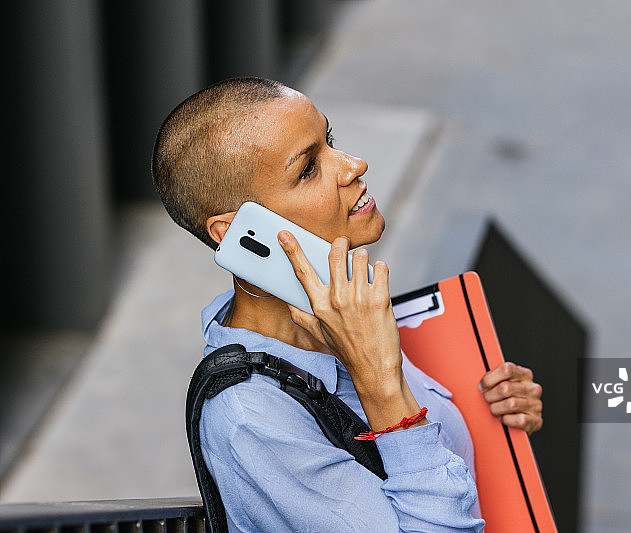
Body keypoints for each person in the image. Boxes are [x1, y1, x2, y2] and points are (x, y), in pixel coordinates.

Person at [152, 77, 543, 532]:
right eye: (308, 168)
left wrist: (494, 414)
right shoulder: (252, 419)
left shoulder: (346, 313)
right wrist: (381, 386)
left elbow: (439, 460)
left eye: (330, 141)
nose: (354, 164)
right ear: (238, 232)